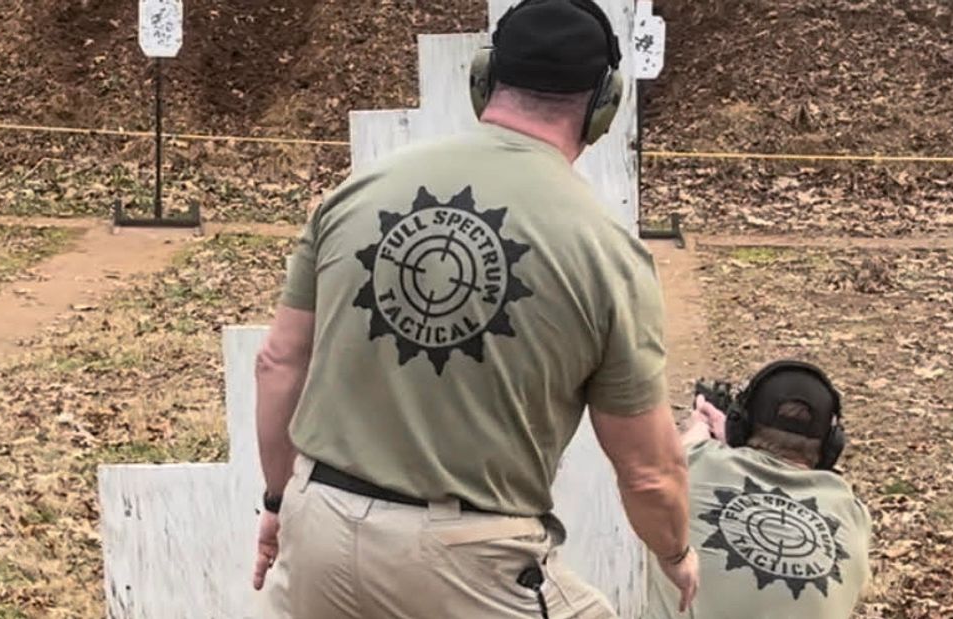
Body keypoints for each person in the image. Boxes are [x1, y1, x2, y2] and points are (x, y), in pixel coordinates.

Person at [249, 1, 698, 617]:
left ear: (482, 78)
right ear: (605, 105)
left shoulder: (356, 193)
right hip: (474, 559)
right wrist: (676, 554)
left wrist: (278, 504)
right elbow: (648, 472)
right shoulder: (608, 251)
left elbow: (277, 363)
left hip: (319, 525)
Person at [644, 361, 872, 618]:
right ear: (832, 447)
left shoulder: (695, 460)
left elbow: (670, 455)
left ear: (739, 425)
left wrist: (701, 424)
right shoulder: (851, 511)